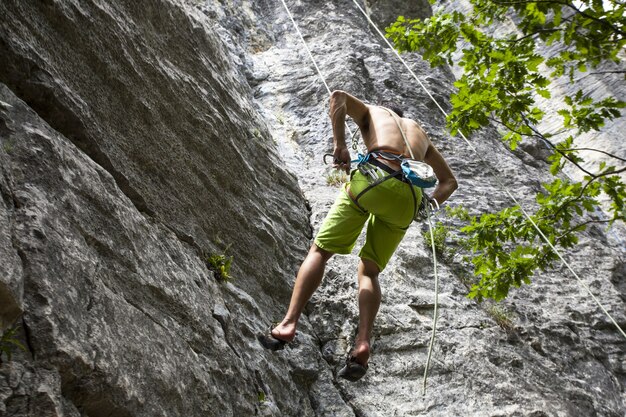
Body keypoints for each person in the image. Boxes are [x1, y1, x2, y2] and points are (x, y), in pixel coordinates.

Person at [258, 90, 457, 381]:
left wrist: (340, 146)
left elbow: (337, 97)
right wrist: (425, 208)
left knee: (320, 251)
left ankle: (288, 323)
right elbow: (449, 182)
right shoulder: (420, 133)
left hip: (375, 177)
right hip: (411, 197)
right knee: (370, 271)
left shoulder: (374, 112)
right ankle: (363, 342)